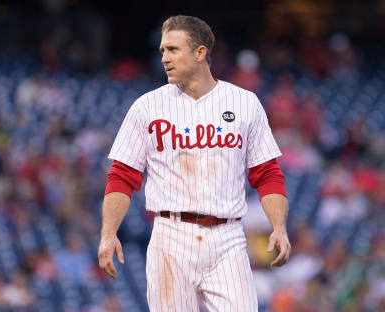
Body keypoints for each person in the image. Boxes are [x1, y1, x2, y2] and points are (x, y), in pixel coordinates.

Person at [98, 15, 291, 312]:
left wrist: (278, 226)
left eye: (173, 49)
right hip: (170, 236)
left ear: (200, 53)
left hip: (228, 237)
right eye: (163, 50)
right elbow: (122, 175)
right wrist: (109, 233)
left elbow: (267, 173)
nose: (164, 58)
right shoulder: (147, 107)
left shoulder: (244, 103)